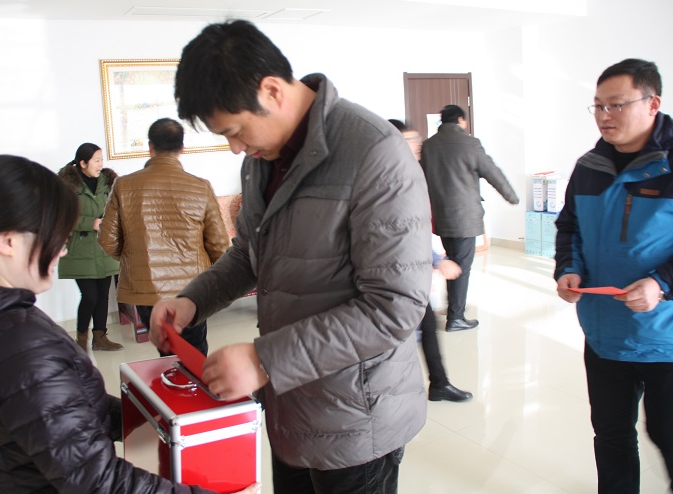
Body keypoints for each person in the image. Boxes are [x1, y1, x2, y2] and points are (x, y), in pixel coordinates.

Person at [149, 20, 432, 494]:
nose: (235, 148)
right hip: (290, 405)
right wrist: (192, 301)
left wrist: (265, 359)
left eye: (235, 131)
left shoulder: (374, 152)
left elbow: (395, 307)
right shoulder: (260, 160)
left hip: (356, 418)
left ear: (273, 91)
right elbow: (249, 254)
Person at [0, 155, 259, 494]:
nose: (62, 250)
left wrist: (169, 413)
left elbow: (64, 416)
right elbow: (99, 483)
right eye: (56, 236)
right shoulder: (19, 347)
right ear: (7, 240)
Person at [555, 58, 673, 493]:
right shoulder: (590, 166)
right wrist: (568, 269)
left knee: (667, 436)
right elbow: (569, 226)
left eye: (617, 104)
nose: (604, 115)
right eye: (598, 106)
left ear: (652, 103)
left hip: (666, 337)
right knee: (611, 436)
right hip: (604, 334)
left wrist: (661, 284)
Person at [98, 118, 229, 356]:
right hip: (193, 288)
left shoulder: (123, 186)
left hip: (145, 288)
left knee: (166, 353)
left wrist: (134, 257)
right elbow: (219, 245)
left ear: (150, 146)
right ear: (182, 148)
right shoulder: (200, 187)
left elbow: (107, 241)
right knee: (195, 353)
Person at [389, 119, 472, 402]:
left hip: (412, 273)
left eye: (416, 140)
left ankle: (439, 384)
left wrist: (434, 257)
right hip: (395, 276)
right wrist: (436, 259)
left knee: (426, 326)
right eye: (409, 141)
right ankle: (401, 393)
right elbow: (401, 232)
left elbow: (415, 229)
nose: (417, 145)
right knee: (406, 335)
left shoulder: (411, 175)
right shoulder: (388, 183)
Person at [420, 105, 519, 332]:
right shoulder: (470, 143)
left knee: (452, 263)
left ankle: (453, 308)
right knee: (462, 266)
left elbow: (420, 178)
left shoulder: (429, 146)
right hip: (465, 218)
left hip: (442, 216)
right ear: (460, 120)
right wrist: (511, 196)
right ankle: (456, 318)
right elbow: (493, 172)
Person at [58, 143, 122, 351]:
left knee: (103, 295)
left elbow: (117, 209)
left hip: (104, 246)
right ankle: (81, 340)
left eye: (101, 159)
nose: (100, 164)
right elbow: (61, 216)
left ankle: (100, 338)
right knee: (90, 296)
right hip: (80, 249)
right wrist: (89, 223)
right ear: (83, 163)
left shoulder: (109, 182)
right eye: (96, 160)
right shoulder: (66, 185)